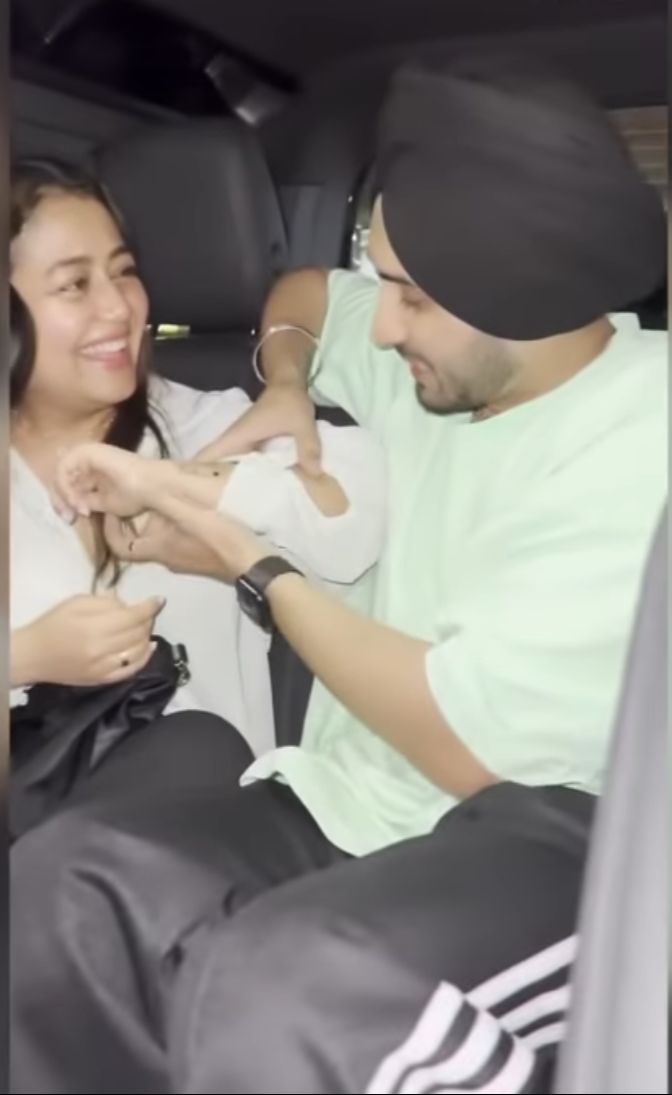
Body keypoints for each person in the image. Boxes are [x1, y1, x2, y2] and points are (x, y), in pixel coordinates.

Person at [11, 54, 666, 1095]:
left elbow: (460, 741)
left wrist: (252, 562)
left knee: (290, 986)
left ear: (518, 290)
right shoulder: (438, 362)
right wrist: (284, 376)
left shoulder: (642, 432)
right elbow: (311, 294)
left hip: (558, 826)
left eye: (409, 295)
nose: (384, 323)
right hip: (345, 801)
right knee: (64, 887)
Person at [9, 157, 385, 764]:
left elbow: (360, 511)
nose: (119, 308)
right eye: (75, 285)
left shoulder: (209, 425)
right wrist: (25, 657)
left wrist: (169, 484)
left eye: (123, 272)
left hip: (207, 810)